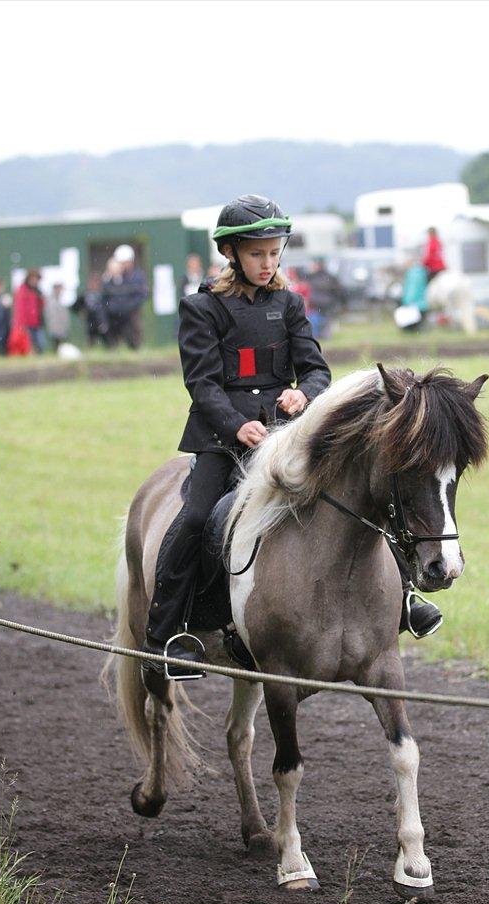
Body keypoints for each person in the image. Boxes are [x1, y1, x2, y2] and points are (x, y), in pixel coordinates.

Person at [142, 194, 331, 675]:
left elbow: (316, 370)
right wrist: (235, 424)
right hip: (220, 437)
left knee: (350, 490)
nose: (267, 263)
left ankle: (400, 602)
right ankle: (167, 637)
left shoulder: (289, 304)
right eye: (256, 254)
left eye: (274, 252)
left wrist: (302, 395)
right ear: (231, 253)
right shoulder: (201, 308)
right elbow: (202, 384)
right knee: (195, 518)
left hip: (282, 434)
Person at [101, 244, 149, 348]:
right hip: (117, 313)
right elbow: (107, 292)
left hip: (132, 312)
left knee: (134, 334)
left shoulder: (137, 276)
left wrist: (130, 305)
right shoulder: (115, 276)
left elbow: (143, 294)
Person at [306, 258, 344, 339]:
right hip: (326, 303)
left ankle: (320, 336)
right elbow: (338, 291)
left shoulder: (312, 277)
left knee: (320, 321)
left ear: (318, 265)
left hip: (318, 303)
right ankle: (323, 336)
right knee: (323, 321)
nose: (311, 267)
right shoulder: (329, 276)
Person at [12, 269, 46, 353]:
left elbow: (41, 306)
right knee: (28, 344)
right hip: (26, 323)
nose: (35, 281)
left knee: (40, 343)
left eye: (37, 279)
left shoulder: (38, 291)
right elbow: (20, 308)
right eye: (33, 279)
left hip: (37, 322)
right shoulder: (23, 290)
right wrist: (21, 323)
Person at [72, 271, 108, 346]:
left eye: (96, 282)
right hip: (90, 322)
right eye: (93, 282)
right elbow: (75, 307)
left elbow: (107, 306)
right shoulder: (85, 295)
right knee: (91, 341)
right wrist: (81, 311)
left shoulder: (103, 294)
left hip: (102, 322)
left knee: (106, 340)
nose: (94, 284)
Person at [44, 283, 71, 351]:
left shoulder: (61, 299)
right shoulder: (51, 300)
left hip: (61, 326)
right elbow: (51, 314)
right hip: (55, 325)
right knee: (56, 342)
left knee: (61, 342)